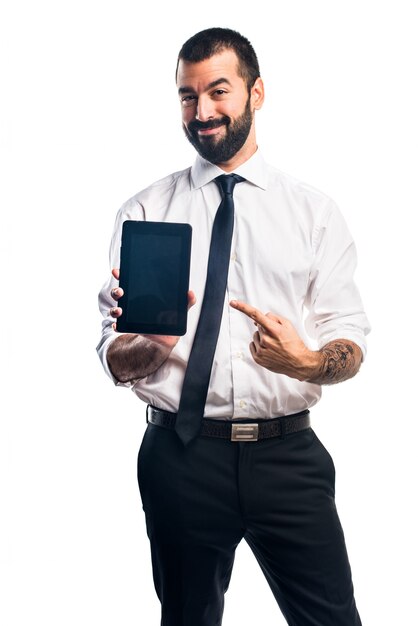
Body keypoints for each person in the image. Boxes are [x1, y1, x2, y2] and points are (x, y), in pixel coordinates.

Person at [97, 27, 370, 626]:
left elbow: (349, 337)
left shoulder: (313, 213)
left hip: (288, 457)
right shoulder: (145, 211)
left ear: (257, 93)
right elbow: (113, 357)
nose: (203, 111)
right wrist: (148, 348)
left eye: (219, 91)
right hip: (179, 457)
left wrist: (306, 362)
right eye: (188, 97)